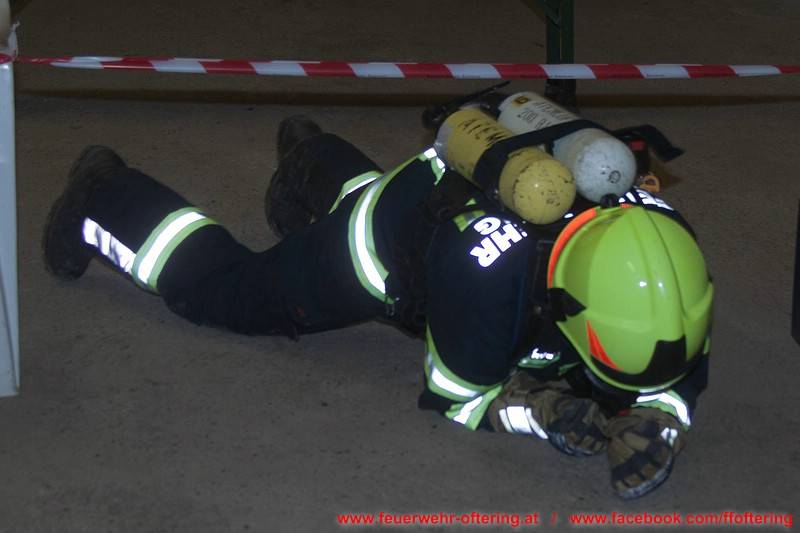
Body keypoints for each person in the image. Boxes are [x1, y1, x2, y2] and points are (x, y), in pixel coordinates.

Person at [42, 112, 713, 500]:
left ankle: (311, 154)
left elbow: (677, 357)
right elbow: (458, 396)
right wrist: (543, 410)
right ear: (566, 306)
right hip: (381, 247)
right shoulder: (486, 277)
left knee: (393, 202)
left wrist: (662, 415)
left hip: (431, 195)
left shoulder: (658, 241)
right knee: (228, 291)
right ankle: (105, 194)